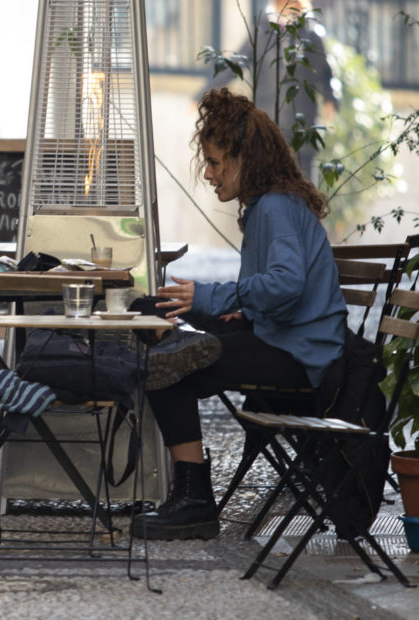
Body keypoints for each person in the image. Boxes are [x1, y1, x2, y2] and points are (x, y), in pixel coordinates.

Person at [130, 87, 347, 540]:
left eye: (214, 162)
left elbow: (287, 285)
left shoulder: (274, 207)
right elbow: (281, 294)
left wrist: (216, 299)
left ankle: (195, 501)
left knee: (165, 364)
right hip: (284, 339)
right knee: (153, 311)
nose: (208, 175)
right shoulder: (271, 206)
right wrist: (243, 315)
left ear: (243, 158)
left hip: (301, 356)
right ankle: (191, 494)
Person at [206, 0, 337, 178]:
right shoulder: (262, 34)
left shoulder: (312, 36)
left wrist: (331, 100)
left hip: (302, 128)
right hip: (267, 126)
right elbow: (236, 63)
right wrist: (206, 91)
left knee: (302, 183)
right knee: (266, 180)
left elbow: (326, 74)